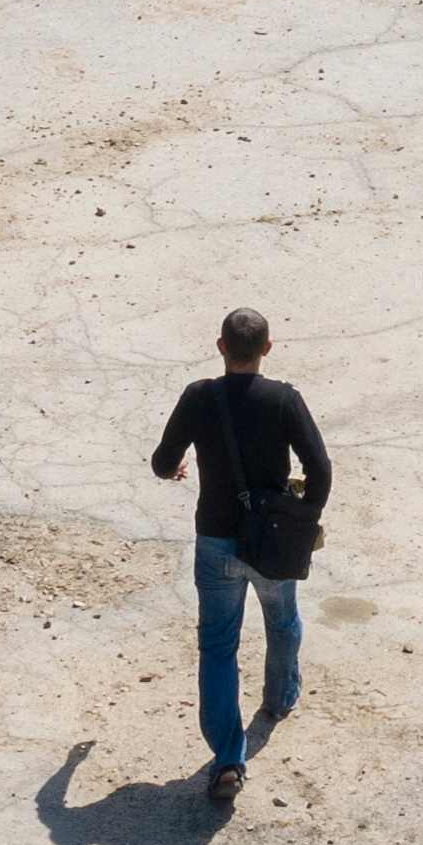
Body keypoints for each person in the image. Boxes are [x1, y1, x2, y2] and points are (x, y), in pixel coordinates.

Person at [149, 306, 329, 808]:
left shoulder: (199, 397)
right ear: (267, 348)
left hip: (216, 542)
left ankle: (229, 759)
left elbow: (163, 461)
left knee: (218, 647)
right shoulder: (284, 400)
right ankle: (279, 697)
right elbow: (320, 467)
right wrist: (302, 517)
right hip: (271, 541)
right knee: (283, 620)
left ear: (221, 347)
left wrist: (176, 468)